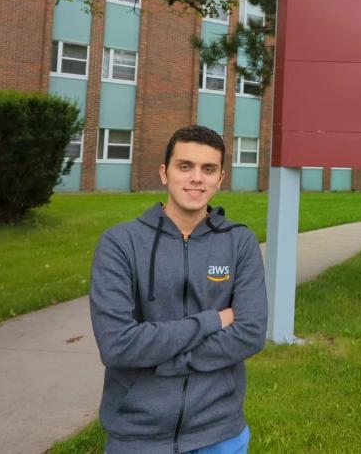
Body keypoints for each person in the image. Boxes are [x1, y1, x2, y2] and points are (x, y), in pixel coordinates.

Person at [90, 125, 268, 453]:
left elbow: (251, 332)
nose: (196, 178)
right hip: (137, 435)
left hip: (220, 433)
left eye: (208, 169)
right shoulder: (121, 244)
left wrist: (166, 361)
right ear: (164, 172)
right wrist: (213, 321)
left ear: (220, 178)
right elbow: (118, 345)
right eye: (185, 166)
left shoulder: (239, 242)